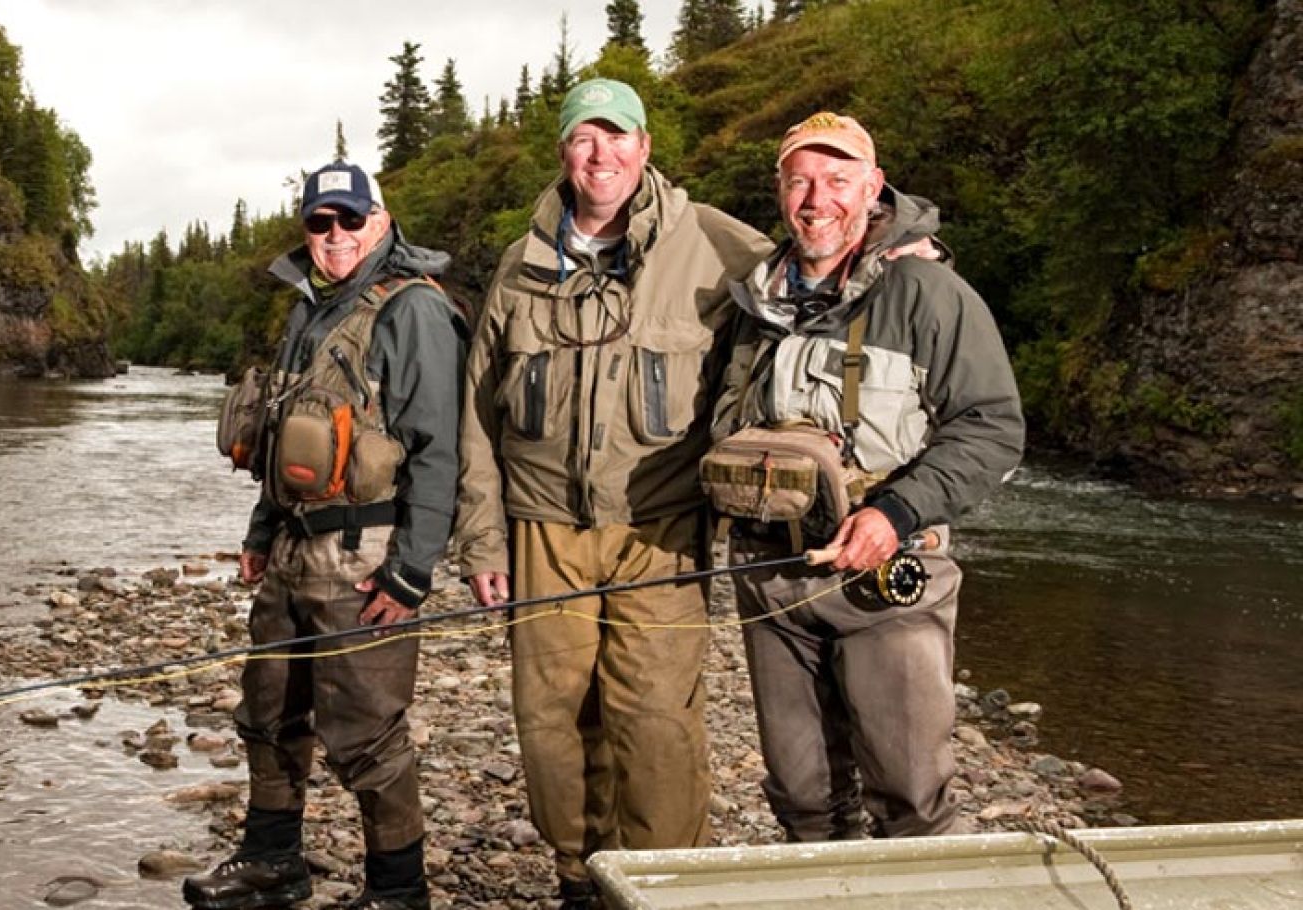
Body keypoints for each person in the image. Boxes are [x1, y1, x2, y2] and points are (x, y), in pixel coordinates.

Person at [454, 78, 773, 909]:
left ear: (646, 146)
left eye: (618, 136)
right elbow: (477, 415)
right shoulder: (521, 266)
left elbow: (819, 268)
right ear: (563, 152)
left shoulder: (712, 242)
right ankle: (580, 878)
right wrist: (483, 540)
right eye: (584, 139)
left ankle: (666, 885)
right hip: (541, 532)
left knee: (655, 720)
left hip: (659, 531)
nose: (602, 155)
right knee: (552, 724)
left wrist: (904, 252)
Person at [707, 112, 1025, 842]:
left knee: (911, 801)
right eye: (801, 182)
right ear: (781, 192)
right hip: (771, 575)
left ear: (873, 187)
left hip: (887, 578)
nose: (818, 199)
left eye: (838, 180)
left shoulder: (928, 293)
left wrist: (895, 514)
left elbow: (994, 427)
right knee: (802, 799)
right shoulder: (753, 302)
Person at [186, 161, 465, 910]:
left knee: (369, 733)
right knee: (269, 709)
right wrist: (259, 532)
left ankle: (399, 891)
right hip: (291, 552)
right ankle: (273, 859)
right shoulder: (309, 308)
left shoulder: (415, 312)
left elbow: (441, 453)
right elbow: (282, 435)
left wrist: (411, 573)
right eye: (319, 222)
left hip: (365, 557)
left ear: (379, 220)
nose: (334, 235)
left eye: (349, 219)